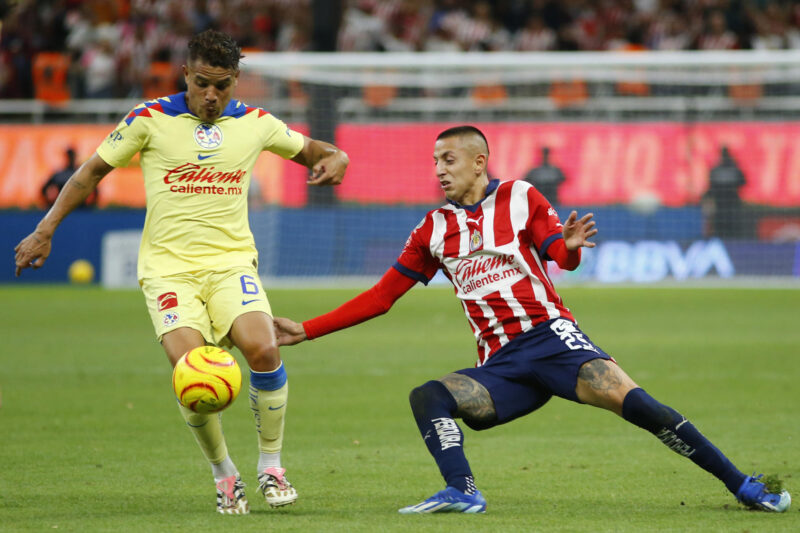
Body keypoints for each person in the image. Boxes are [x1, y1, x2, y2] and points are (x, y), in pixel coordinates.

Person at [273, 125, 791, 514]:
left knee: (642, 407)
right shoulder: (432, 229)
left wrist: (568, 250)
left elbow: (557, 253)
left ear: (479, 162)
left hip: (551, 339)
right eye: (435, 161)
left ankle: (743, 485)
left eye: (448, 159)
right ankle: (463, 491)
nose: (439, 169)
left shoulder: (520, 197)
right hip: (501, 365)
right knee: (428, 396)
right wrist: (309, 328)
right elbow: (383, 296)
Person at [15, 29, 349, 515]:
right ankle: (224, 474)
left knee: (264, 347)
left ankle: (271, 467)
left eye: (222, 86)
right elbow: (90, 172)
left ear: (235, 81)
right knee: (192, 374)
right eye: (201, 83)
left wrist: (338, 156)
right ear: (185, 76)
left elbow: (317, 151)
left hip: (231, 263)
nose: (211, 95)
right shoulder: (150, 119)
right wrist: (45, 229)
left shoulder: (256, 122)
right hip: (169, 272)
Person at [704, 145, 747, 239]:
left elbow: (711, 188)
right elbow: (743, 182)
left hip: (724, 205)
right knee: (729, 228)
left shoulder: (717, 170)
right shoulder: (733, 169)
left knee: (724, 228)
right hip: (729, 205)